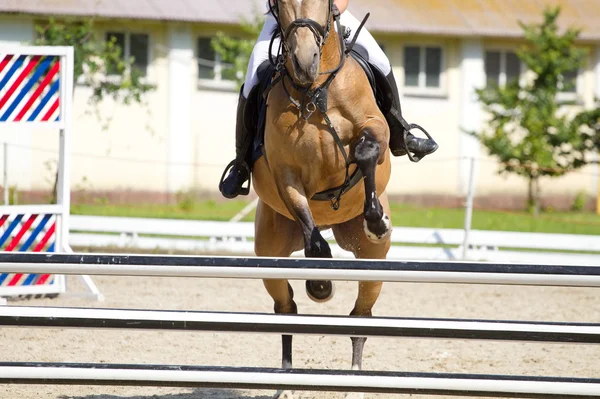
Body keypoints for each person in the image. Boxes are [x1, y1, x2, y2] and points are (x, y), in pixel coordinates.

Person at [219, 0, 438, 199]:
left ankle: (401, 134)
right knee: (254, 74)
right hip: (285, 20)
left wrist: (330, 13)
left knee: (379, 59)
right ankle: (242, 164)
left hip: (327, 15)